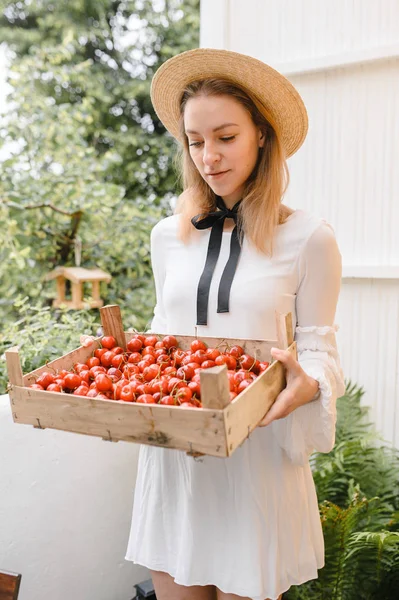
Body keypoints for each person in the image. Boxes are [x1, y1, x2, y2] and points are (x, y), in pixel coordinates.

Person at [121, 48, 345, 600]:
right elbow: (161, 336)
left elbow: (319, 348)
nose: (209, 156)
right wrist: (123, 358)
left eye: (225, 137)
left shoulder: (311, 238)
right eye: (195, 141)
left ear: (261, 136)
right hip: (176, 460)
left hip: (255, 457)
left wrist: (306, 381)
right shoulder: (167, 235)